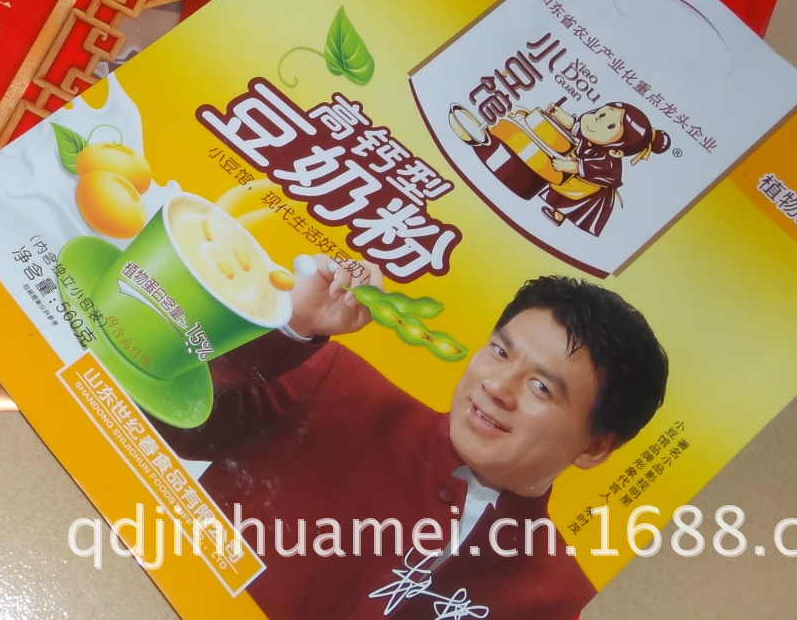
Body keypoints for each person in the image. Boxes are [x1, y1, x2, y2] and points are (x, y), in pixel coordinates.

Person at [166, 262, 668, 620]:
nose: (497, 387)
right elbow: (165, 419)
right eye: (499, 352)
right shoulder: (337, 383)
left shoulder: (563, 602)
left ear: (595, 447)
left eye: (541, 387)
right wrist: (294, 325)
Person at [537, 102, 670, 236]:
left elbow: (587, 167)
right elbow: (574, 125)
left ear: (616, 152)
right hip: (579, 174)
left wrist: (566, 166)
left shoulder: (608, 160)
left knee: (572, 198)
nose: (598, 120)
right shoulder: (592, 132)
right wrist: (558, 113)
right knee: (564, 186)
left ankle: (559, 214)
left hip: (594, 186)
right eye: (601, 114)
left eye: (610, 126)